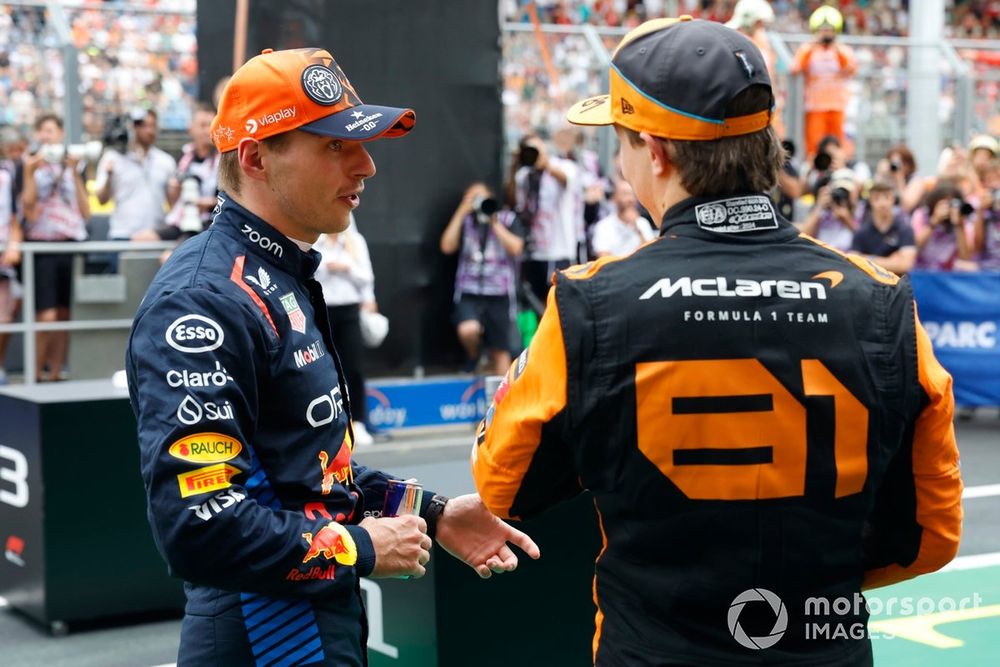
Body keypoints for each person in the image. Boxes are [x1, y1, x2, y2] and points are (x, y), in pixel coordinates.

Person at [472, 17, 962, 665]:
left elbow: (501, 485)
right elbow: (930, 530)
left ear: (654, 150)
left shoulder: (591, 302)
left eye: (619, 143)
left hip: (655, 646)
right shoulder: (881, 297)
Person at [125, 47, 539, 667]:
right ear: (255, 156)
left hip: (318, 627)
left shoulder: (278, 272)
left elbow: (308, 472)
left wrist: (433, 512)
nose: (367, 165)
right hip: (264, 638)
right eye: (335, 146)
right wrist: (357, 547)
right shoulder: (201, 300)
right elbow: (199, 525)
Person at [20, 113, 89, 381]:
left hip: (69, 245)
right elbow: (29, 210)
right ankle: (34, 374)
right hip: (42, 246)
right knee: (46, 316)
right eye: (43, 131)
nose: (48, 137)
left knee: (64, 314)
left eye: (52, 131)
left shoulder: (75, 167)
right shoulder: (28, 165)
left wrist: (74, 170)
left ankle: (56, 372)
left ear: (61, 135)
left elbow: (86, 212)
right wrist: (28, 172)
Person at [440, 182, 525, 376]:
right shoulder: (466, 220)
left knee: (501, 351)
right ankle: (476, 355)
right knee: (467, 330)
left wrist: (493, 221)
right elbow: (446, 246)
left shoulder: (506, 218)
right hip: (470, 290)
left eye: (482, 197)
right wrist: (462, 211)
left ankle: (502, 402)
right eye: (473, 198)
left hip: (500, 293)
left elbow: (516, 248)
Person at [315, 217, 378, 445]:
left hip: (350, 311)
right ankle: (330, 426)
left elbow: (366, 277)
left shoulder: (355, 241)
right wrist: (327, 267)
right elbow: (307, 272)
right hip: (321, 310)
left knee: (354, 367)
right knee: (323, 367)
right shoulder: (315, 240)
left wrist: (347, 267)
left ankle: (358, 422)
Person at [512, 132, 581, 312]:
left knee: (559, 306)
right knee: (533, 306)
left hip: (559, 250)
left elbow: (566, 180)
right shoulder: (524, 175)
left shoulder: (565, 166)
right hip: (533, 251)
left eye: (536, 148)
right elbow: (517, 204)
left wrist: (546, 164)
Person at [95, 108, 177, 241]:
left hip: (155, 236)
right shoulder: (112, 158)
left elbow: (173, 204)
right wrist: (109, 176)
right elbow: (102, 200)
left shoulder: (165, 161)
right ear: (132, 128)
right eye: (144, 126)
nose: (149, 131)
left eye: (153, 126)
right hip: (122, 235)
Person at [791, 6, 858, 158]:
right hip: (814, 106)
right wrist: (813, 47)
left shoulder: (843, 50)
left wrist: (836, 50)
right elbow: (795, 69)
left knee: (838, 144)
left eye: (829, 30)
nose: (826, 33)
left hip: (837, 105)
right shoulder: (807, 49)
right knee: (814, 145)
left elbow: (851, 69)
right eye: (823, 30)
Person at [851, 177, 917, 275]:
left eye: (887, 197)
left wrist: (867, 259)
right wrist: (893, 260)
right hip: (871, 287)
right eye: (877, 198)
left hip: (898, 287)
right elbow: (853, 262)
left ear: (893, 200)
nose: (883, 203)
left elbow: (906, 265)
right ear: (871, 201)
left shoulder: (904, 229)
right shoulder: (862, 232)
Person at [914, 184, 976, 271]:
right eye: (946, 203)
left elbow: (964, 258)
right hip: (921, 270)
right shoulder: (922, 215)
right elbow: (914, 247)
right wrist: (934, 222)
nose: (950, 207)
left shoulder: (960, 221)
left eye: (953, 203)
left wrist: (959, 226)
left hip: (945, 273)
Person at [797, 167, 859, 252]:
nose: (843, 195)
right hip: (823, 257)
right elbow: (804, 235)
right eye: (840, 189)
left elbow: (865, 241)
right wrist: (819, 206)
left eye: (846, 191)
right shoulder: (823, 210)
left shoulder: (861, 210)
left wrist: (847, 219)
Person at [590, 179, 654, 257]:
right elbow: (603, 258)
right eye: (625, 194)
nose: (630, 199)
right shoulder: (603, 226)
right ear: (614, 198)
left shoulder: (642, 223)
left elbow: (650, 254)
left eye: (632, 194)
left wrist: (637, 228)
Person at [0, 160, 21, 384]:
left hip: (3, 264)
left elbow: (15, 220)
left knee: (4, 318)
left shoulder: (7, 175)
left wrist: (14, 244)